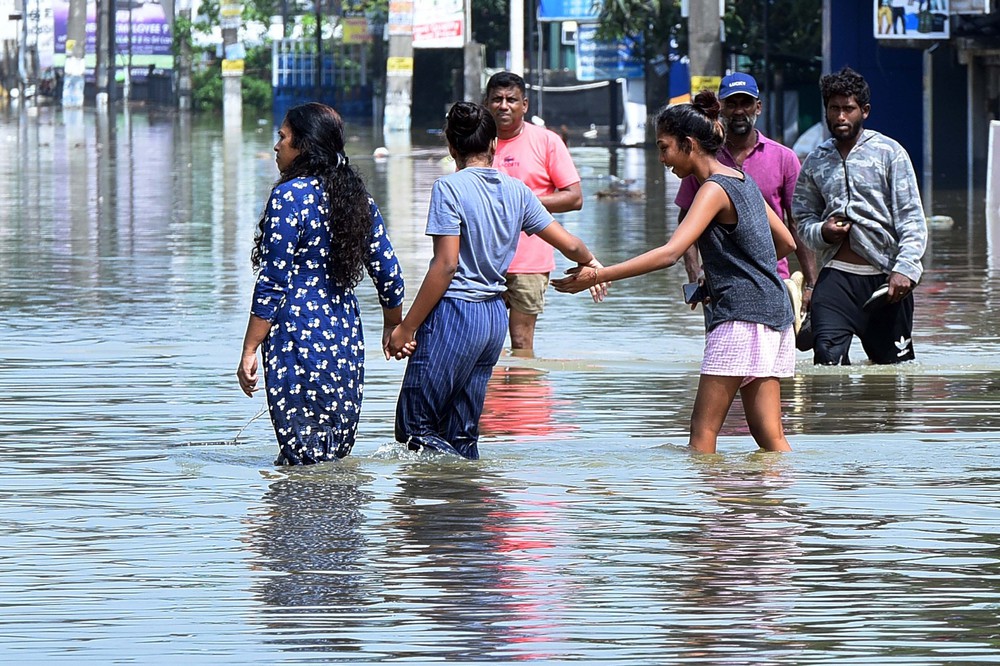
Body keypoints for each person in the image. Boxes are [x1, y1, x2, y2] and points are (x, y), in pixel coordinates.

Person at [554, 92, 797, 455]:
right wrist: (736, 271)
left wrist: (599, 276)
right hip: (774, 315)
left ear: (689, 144)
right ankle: (790, 492)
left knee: (702, 435)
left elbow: (670, 253)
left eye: (664, 147)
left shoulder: (713, 189)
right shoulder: (743, 180)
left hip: (740, 318)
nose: (662, 158)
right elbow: (786, 242)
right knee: (771, 437)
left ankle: (703, 497)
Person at [386, 101, 602, 460]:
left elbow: (446, 266)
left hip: (456, 313)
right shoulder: (518, 191)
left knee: (414, 428)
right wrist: (592, 264)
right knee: (462, 433)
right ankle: (468, 491)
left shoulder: (449, 188)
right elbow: (571, 245)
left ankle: (447, 489)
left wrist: (407, 327)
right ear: (494, 145)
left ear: (451, 147)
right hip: (492, 318)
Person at [237, 102, 406, 465]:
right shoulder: (357, 198)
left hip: (296, 335)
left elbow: (273, 282)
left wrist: (249, 348)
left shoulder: (289, 196)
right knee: (333, 454)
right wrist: (393, 324)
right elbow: (389, 273)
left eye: (283, 137)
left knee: (300, 455)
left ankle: (292, 503)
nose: (276, 146)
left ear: (303, 145)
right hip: (344, 336)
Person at [792, 66, 927, 365]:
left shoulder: (890, 153)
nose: (841, 116)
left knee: (895, 374)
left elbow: (912, 219)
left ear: (864, 111)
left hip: (886, 282)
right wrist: (823, 232)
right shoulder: (816, 161)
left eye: (848, 109)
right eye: (834, 109)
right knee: (827, 363)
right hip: (836, 280)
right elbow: (801, 219)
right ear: (826, 111)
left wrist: (905, 269)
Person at [676, 72, 817, 318]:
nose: (739, 111)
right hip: (719, 285)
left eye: (746, 103)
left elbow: (796, 224)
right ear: (720, 108)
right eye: (731, 104)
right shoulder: (703, 159)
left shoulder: (783, 158)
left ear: (758, 107)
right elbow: (686, 223)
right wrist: (695, 274)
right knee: (722, 342)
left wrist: (812, 284)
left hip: (772, 280)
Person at [485, 71, 584, 354]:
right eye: (497, 99)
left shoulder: (547, 141)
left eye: (511, 100)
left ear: (524, 105)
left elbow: (574, 197)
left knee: (521, 342)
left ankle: (524, 384)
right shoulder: (477, 142)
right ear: (487, 104)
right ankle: (491, 386)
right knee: (483, 342)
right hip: (483, 261)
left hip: (529, 261)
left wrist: (524, 204)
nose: (504, 106)